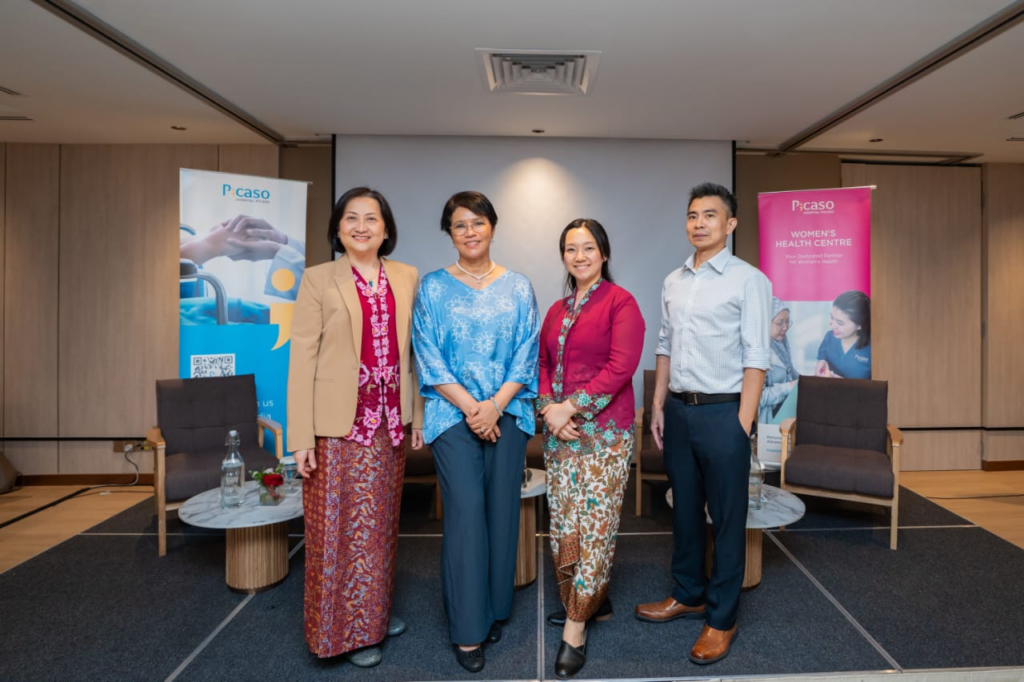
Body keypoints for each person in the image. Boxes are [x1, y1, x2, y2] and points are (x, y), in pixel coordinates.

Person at [287, 187, 423, 668]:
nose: (361, 226)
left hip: (388, 427)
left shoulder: (406, 276)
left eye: (371, 218)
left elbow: (414, 354)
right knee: (335, 534)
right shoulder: (318, 279)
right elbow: (301, 359)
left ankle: (373, 618)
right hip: (336, 428)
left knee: (379, 529)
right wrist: (300, 437)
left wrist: (417, 415)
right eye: (351, 218)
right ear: (338, 228)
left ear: (386, 229)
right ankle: (338, 635)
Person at [635, 182, 770, 666]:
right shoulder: (673, 280)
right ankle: (688, 592)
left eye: (710, 215)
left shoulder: (749, 280)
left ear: (730, 224)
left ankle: (722, 617)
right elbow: (664, 343)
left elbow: (758, 355)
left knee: (728, 518)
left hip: (723, 413)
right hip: (679, 410)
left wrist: (742, 424)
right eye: (693, 215)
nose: (699, 223)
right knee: (685, 510)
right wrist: (658, 404)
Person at [412, 191, 540, 673]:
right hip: (452, 416)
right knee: (466, 515)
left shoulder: (519, 286)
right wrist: (472, 408)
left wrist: (495, 407)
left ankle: (494, 608)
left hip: (507, 413)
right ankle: (468, 631)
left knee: (502, 513)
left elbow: (527, 353)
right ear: (450, 233)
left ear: (493, 227)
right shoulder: (432, 287)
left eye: (478, 222)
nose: (470, 231)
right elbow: (427, 354)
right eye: (460, 224)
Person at [537, 219, 645, 679]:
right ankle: (584, 600)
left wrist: (571, 408)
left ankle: (576, 626)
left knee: (594, 529)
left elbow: (621, 367)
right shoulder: (557, 310)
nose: (579, 256)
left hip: (605, 437)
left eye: (587, 248)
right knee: (564, 525)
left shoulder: (621, 303)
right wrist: (549, 410)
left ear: (604, 253)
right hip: (560, 437)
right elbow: (543, 363)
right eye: (570, 249)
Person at [758, 298, 799, 424]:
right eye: (779, 323)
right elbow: (761, 397)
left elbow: (790, 372)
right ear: (765, 323)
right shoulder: (758, 351)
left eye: (787, 321)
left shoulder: (781, 344)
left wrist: (809, 380)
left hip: (785, 410)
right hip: (769, 418)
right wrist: (789, 386)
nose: (785, 327)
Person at [815, 290, 871, 379]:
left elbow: (878, 385)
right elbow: (822, 357)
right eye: (832, 317)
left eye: (840, 323)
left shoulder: (872, 349)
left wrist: (844, 384)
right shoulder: (829, 337)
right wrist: (821, 362)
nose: (832, 325)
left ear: (859, 325)